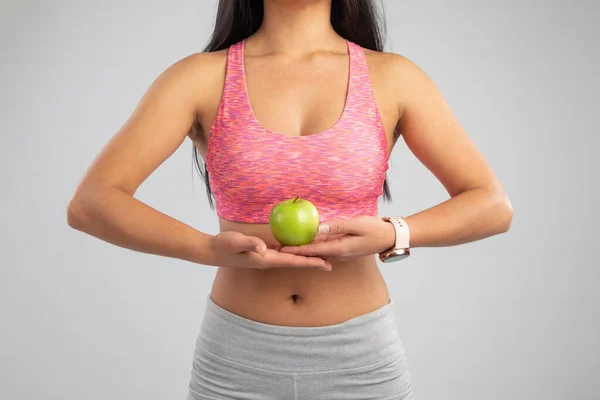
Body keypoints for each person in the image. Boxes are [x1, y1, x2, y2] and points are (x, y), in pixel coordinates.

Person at [67, 0, 513, 398]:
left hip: (361, 360)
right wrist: (203, 248)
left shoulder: (393, 76)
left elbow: (491, 204)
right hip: (237, 358)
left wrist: (392, 233)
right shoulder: (199, 77)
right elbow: (92, 202)